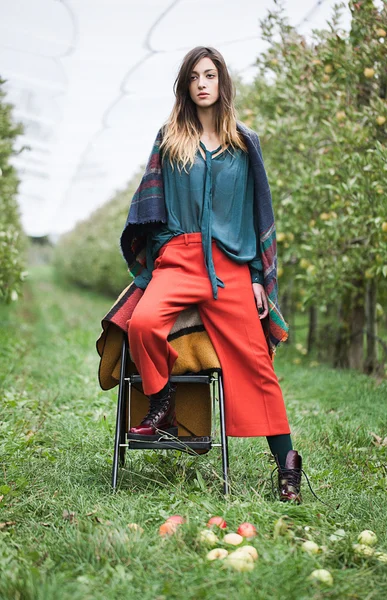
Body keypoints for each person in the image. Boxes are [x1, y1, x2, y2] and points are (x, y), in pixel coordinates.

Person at [120, 46, 302, 503]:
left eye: (210, 75)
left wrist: (259, 276)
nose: (203, 83)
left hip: (230, 265)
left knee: (257, 364)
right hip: (179, 259)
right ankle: (162, 401)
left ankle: (288, 465)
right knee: (142, 323)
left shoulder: (244, 143)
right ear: (185, 86)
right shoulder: (170, 138)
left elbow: (259, 210)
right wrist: (162, 254)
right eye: (194, 77)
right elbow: (150, 207)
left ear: (222, 83)